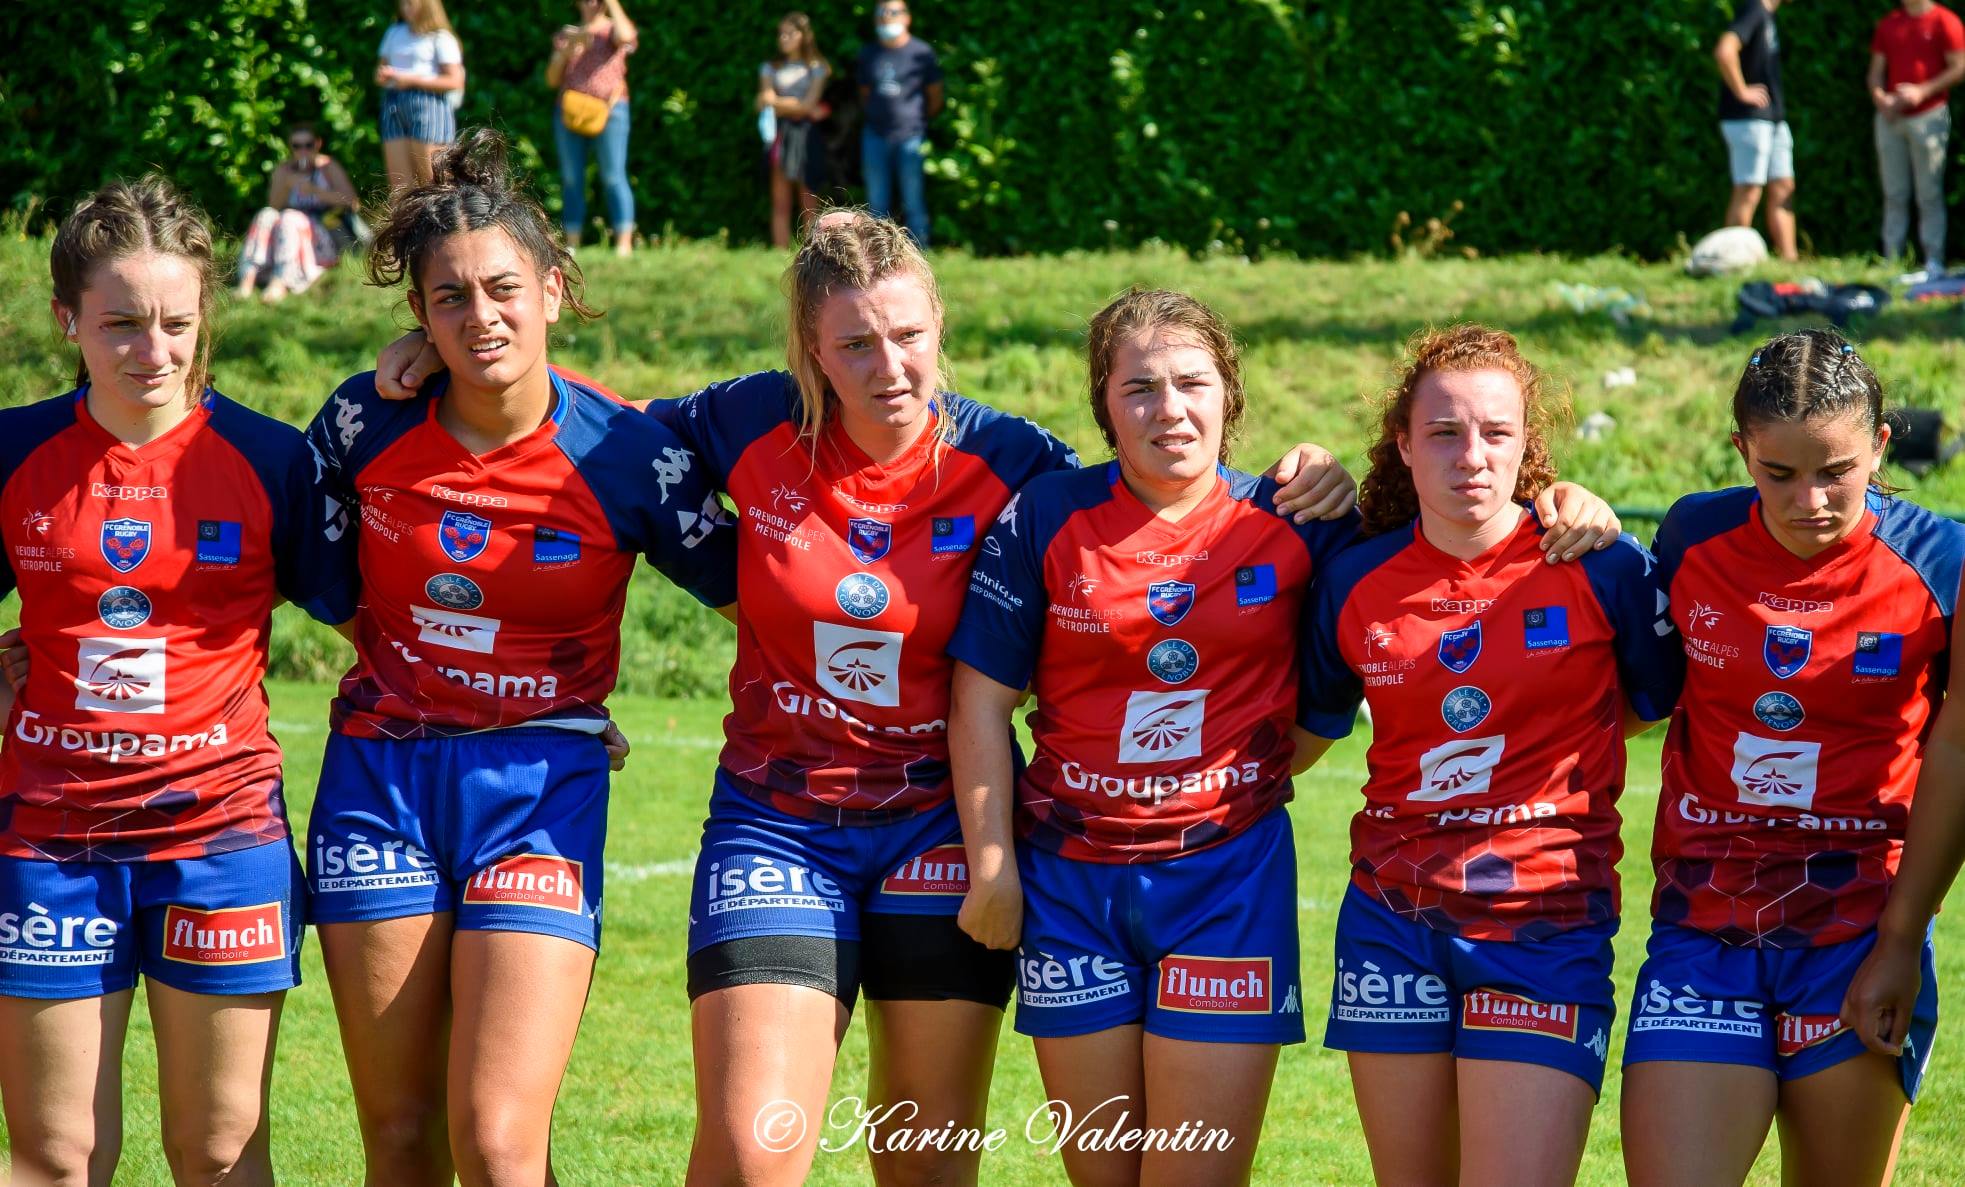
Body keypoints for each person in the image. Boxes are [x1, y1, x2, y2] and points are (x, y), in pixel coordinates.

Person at [366, 210, 1619, 1185]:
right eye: (854, 342)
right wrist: (447, 359)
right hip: (777, 820)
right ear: (811, 347)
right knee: (755, 1147)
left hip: (943, 833)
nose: (886, 363)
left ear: (940, 325)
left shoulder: (1015, 462)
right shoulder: (747, 423)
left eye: (906, 334)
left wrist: (1331, 485)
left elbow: (1213, 546)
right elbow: (580, 431)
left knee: (926, 1153)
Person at [303, 127, 737, 1186]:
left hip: (541, 789)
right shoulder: (364, 422)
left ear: (551, 287)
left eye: (502, 288)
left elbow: (766, 596)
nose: (480, 315)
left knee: (500, 1140)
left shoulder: (625, 451)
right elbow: (276, 569)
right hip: (381, 778)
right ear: (418, 313)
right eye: (449, 297)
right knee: (401, 1139)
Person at [943, 289, 1363, 1185]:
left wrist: (1234, 787)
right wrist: (993, 866)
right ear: (1103, 404)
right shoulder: (1046, 515)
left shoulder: (1293, 522)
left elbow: (1335, 691)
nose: (1167, 409)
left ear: (1228, 396)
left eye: (1190, 383)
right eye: (1138, 388)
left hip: (1227, 885)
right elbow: (979, 701)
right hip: (1067, 883)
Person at [0, 176, 356, 1185]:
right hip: (48, 839)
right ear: (67, 319)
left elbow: (382, 623)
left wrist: (543, 711)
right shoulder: (13, 450)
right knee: (54, 1157)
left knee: (218, 1152)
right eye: (119, 324)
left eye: (175, 323)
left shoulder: (271, 458)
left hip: (221, 838)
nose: (151, 351)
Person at [1297, 325, 1680, 1186]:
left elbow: (1652, 707)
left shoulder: (1603, 566)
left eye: (1495, 433)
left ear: (1526, 445)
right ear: (1403, 443)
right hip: (1391, 924)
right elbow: (1301, 736)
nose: (1470, 455)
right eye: (1443, 432)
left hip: (1543, 924)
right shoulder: (1352, 579)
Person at [1622, 329, 1965, 1187]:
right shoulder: (1692, 535)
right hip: (1703, 926)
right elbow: (1638, 697)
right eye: (1778, 473)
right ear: (1741, 448)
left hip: (1859, 930)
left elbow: (1956, 748)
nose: (1808, 499)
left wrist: (1898, 937)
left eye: (1835, 471)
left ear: (1881, 445)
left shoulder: (1940, 560)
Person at [1869, 0, 1965, 278]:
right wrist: (1881, 100)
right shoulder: (1890, 23)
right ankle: (1893, 259)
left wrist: (1923, 91)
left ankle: (1933, 261)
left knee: (1929, 193)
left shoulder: (1945, 21)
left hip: (1929, 116)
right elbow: (1875, 74)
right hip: (1891, 119)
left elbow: (1959, 66)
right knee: (1894, 192)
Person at [548, 0, 639, 257]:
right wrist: (567, 50)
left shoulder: (611, 30)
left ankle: (624, 243)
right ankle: (572, 242)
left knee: (613, 175)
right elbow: (552, 79)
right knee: (571, 177)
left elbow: (627, 36)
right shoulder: (568, 34)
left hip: (611, 111)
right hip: (570, 111)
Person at [236, 122, 362, 302]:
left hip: (322, 231)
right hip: (289, 231)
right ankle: (247, 280)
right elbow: (274, 205)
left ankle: (280, 282)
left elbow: (352, 202)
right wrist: (287, 186)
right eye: (297, 146)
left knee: (290, 218)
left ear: (317, 144)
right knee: (265, 215)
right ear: (291, 148)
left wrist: (316, 191)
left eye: (308, 145)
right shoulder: (285, 170)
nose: (303, 150)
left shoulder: (327, 167)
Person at [1715, 0, 1798, 262]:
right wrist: (1741, 91)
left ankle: (1789, 260)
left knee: (1784, 186)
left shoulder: (1767, 15)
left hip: (1773, 119)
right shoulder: (1753, 9)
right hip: (1749, 119)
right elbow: (1725, 50)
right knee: (1749, 189)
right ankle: (1732, 261)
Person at [857, 3, 941, 246]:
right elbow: (865, 93)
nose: (886, 18)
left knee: (913, 200)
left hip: (911, 135)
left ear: (907, 17)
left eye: (893, 12)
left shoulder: (921, 52)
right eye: (881, 13)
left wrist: (917, 119)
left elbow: (934, 95)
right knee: (876, 204)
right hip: (875, 134)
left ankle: (920, 255)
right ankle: (875, 257)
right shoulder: (868, 54)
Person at [759, 12, 831, 249]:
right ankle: (779, 253)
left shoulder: (818, 67)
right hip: (782, 136)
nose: (783, 38)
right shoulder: (771, 67)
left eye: (789, 33)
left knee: (809, 200)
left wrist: (780, 103)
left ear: (803, 35)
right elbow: (764, 99)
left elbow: (808, 104)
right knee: (780, 200)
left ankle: (813, 253)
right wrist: (798, 106)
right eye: (781, 34)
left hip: (808, 137)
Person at [378, 0, 466, 193]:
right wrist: (385, 76)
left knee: (434, 180)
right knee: (400, 186)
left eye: (410, 3)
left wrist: (411, 80)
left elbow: (455, 81)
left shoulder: (440, 38)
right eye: (402, 4)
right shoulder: (395, 32)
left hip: (429, 105)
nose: (405, 8)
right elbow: (381, 69)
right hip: (394, 102)